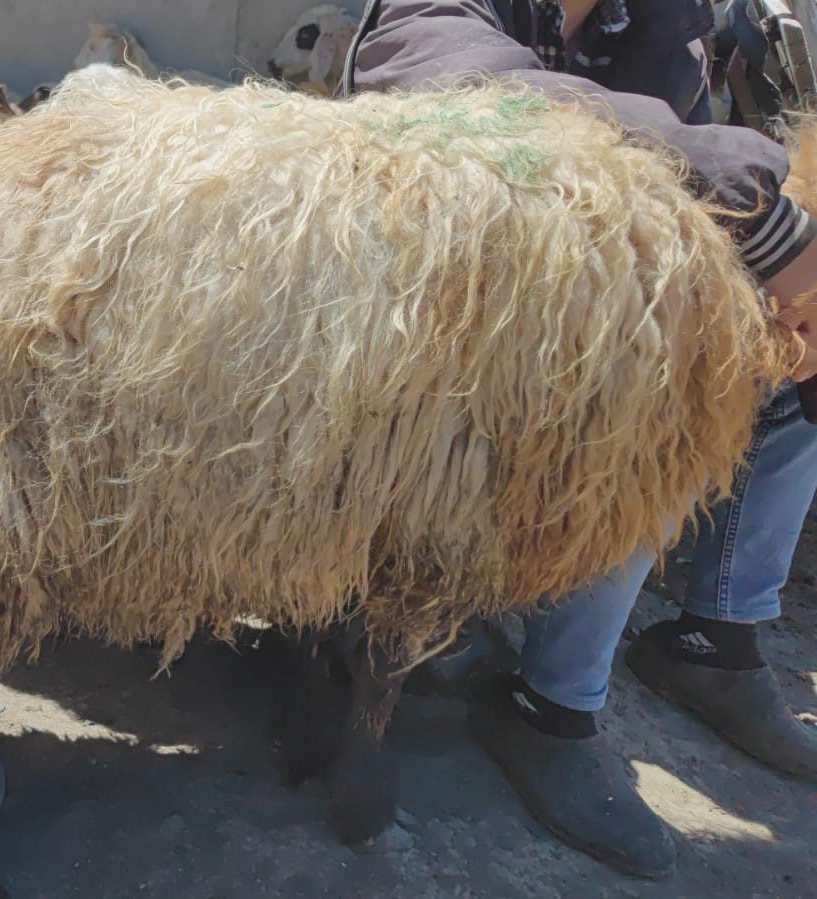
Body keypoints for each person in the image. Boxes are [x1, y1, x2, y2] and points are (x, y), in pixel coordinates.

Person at [341, 0, 817, 879]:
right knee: (652, 390)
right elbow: (478, 97)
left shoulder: (661, 18)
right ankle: (549, 708)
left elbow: (676, 177)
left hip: (569, 304)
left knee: (772, 373)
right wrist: (758, 212)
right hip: (419, 318)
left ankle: (716, 641)